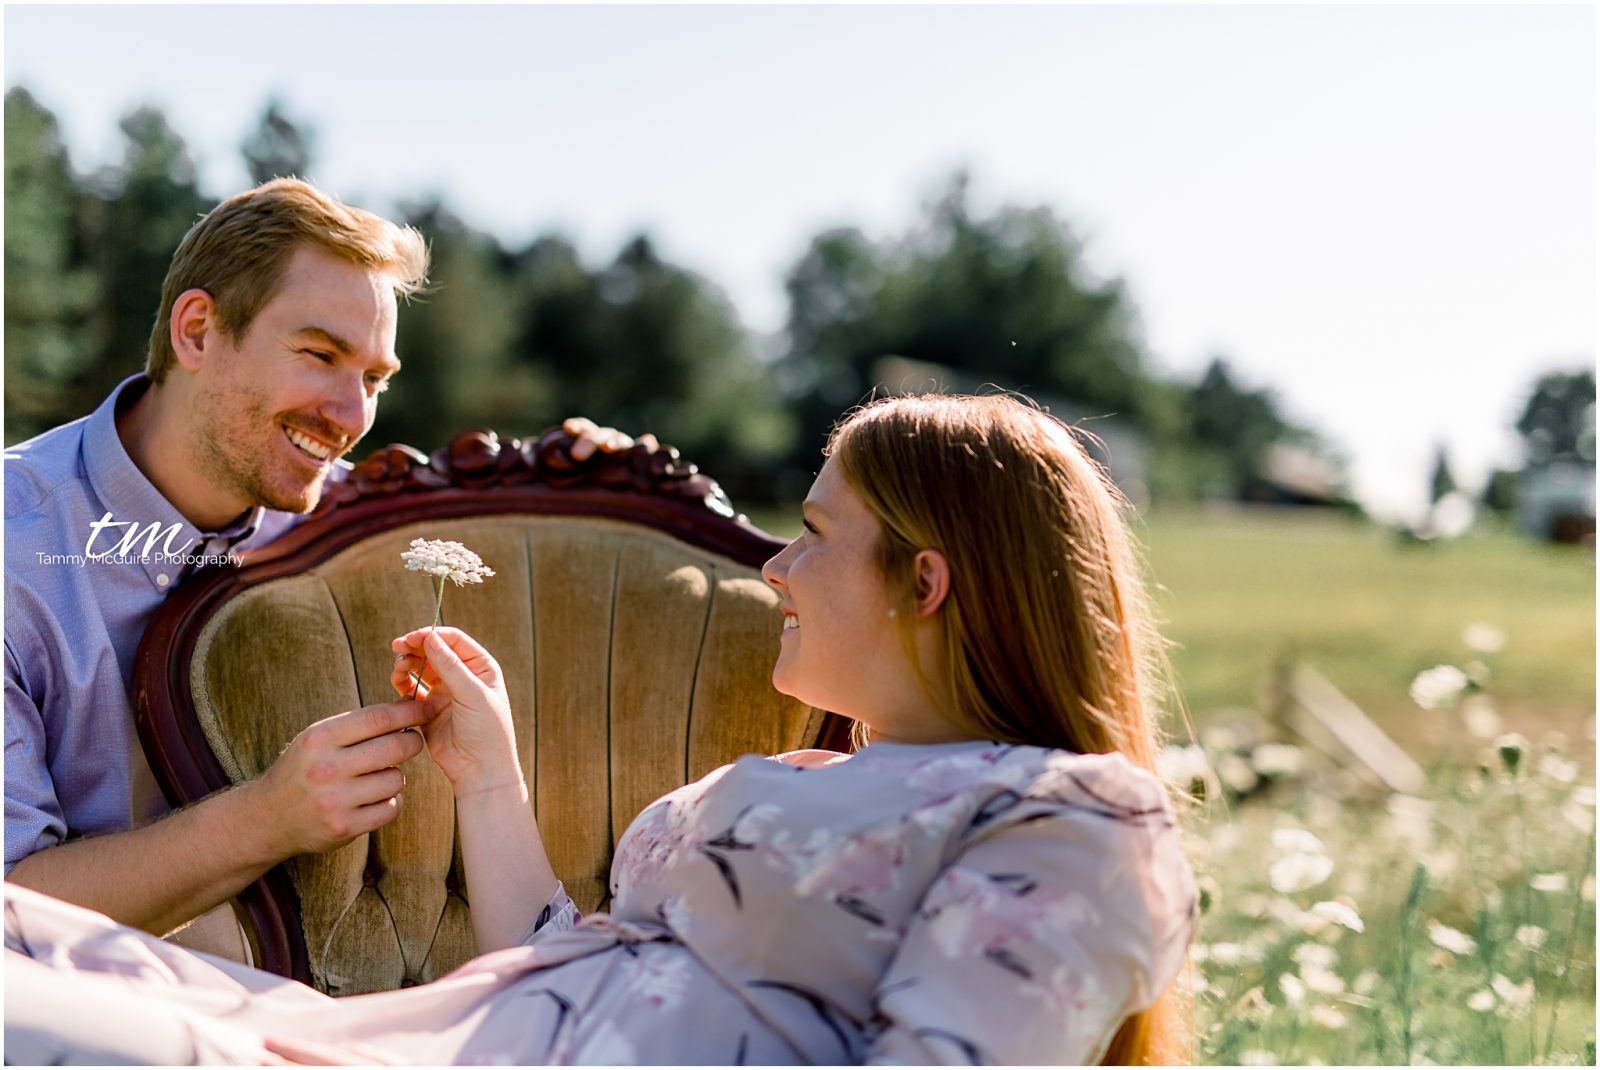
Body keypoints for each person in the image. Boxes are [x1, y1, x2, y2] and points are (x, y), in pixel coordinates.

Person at [4, 393, 1198, 1065]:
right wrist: (489, 771)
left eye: (816, 534)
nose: (777, 566)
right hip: (401, 1039)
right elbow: (572, 951)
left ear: (922, 583)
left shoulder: (1069, 818)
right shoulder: (830, 769)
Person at [2, 177, 634, 959]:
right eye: (319, 354)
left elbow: (469, 532)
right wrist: (267, 818)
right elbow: (7, 911)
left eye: (373, 378)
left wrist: (593, 489)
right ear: (198, 332)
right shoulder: (15, 553)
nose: (351, 416)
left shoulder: (340, 515)